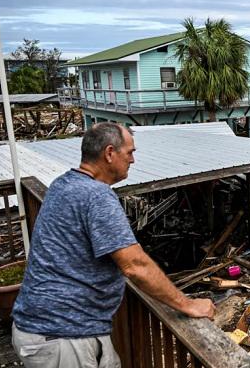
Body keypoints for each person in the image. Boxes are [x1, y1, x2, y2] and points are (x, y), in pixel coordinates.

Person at [12, 123, 215, 367]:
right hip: (63, 334)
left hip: (52, 328)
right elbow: (134, 265)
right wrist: (188, 304)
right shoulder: (96, 196)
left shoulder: (62, 184)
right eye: (129, 152)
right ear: (110, 153)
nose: (133, 160)